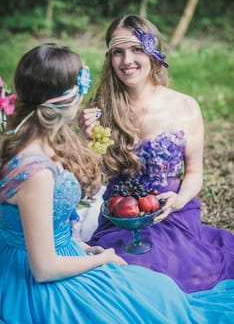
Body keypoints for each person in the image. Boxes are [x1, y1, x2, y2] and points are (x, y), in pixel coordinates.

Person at [1, 43, 234, 324]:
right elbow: (44, 269)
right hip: (36, 280)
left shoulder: (36, 143)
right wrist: (103, 258)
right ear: (69, 98)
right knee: (146, 308)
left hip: (64, 250)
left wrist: (82, 247)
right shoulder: (35, 171)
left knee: (159, 291)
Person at [78, 14, 234, 293]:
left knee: (160, 275)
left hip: (171, 215)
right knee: (116, 275)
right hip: (119, 219)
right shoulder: (101, 109)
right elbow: (89, 180)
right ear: (109, 57)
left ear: (153, 52)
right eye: (118, 52)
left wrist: (179, 200)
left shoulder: (185, 106)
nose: (127, 61)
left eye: (137, 49)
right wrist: (87, 140)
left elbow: (195, 172)